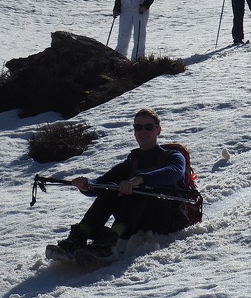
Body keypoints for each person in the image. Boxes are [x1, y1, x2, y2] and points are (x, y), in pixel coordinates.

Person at [47, 108, 198, 264]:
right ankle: (77, 238)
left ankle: (111, 242)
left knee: (138, 189)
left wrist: (140, 179)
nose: (143, 131)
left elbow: (173, 172)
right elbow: (102, 183)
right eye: (138, 127)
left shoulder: (172, 156)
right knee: (111, 187)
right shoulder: (133, 161)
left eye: (148, 127)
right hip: (141, 220)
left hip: (171, 220)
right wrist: (88, 186)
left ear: (158, 130)